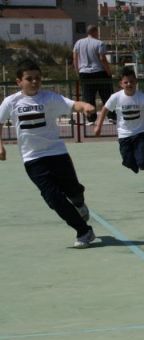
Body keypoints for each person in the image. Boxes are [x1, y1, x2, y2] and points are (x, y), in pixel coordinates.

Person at [0, 59, 96, 248]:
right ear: (19, 81)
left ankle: (79, 201)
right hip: (33, 158)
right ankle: (84, 231)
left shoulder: (49, 98)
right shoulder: (11, 102)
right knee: (53, 198)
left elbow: (72, 104)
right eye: (29, 79)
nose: (34, 82)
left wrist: (85, 106)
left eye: (37, 78)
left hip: (57, 154)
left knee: (73, 191)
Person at [94, 67, 144, 193]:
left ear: (136, 82)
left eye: (132, 82)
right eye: (126, 82)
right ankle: (135, 162)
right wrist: (98, 126)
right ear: (121, 84)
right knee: (128, 161)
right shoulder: (116, 97)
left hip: (141, 134)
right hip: (124, 135)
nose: (129, 84)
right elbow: (104, 110)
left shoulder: (142, 97)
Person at [72, 25, 116, 125]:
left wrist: (77, 72)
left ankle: (91, 119)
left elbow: (75, 58)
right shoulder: (99, 43)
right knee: (107, 96)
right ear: (95, 32)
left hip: (84, 73)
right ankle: (111, 117)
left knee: (88, 96)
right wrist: (108, 72)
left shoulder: (78, 43)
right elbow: (102, 59)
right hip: (99, 72)